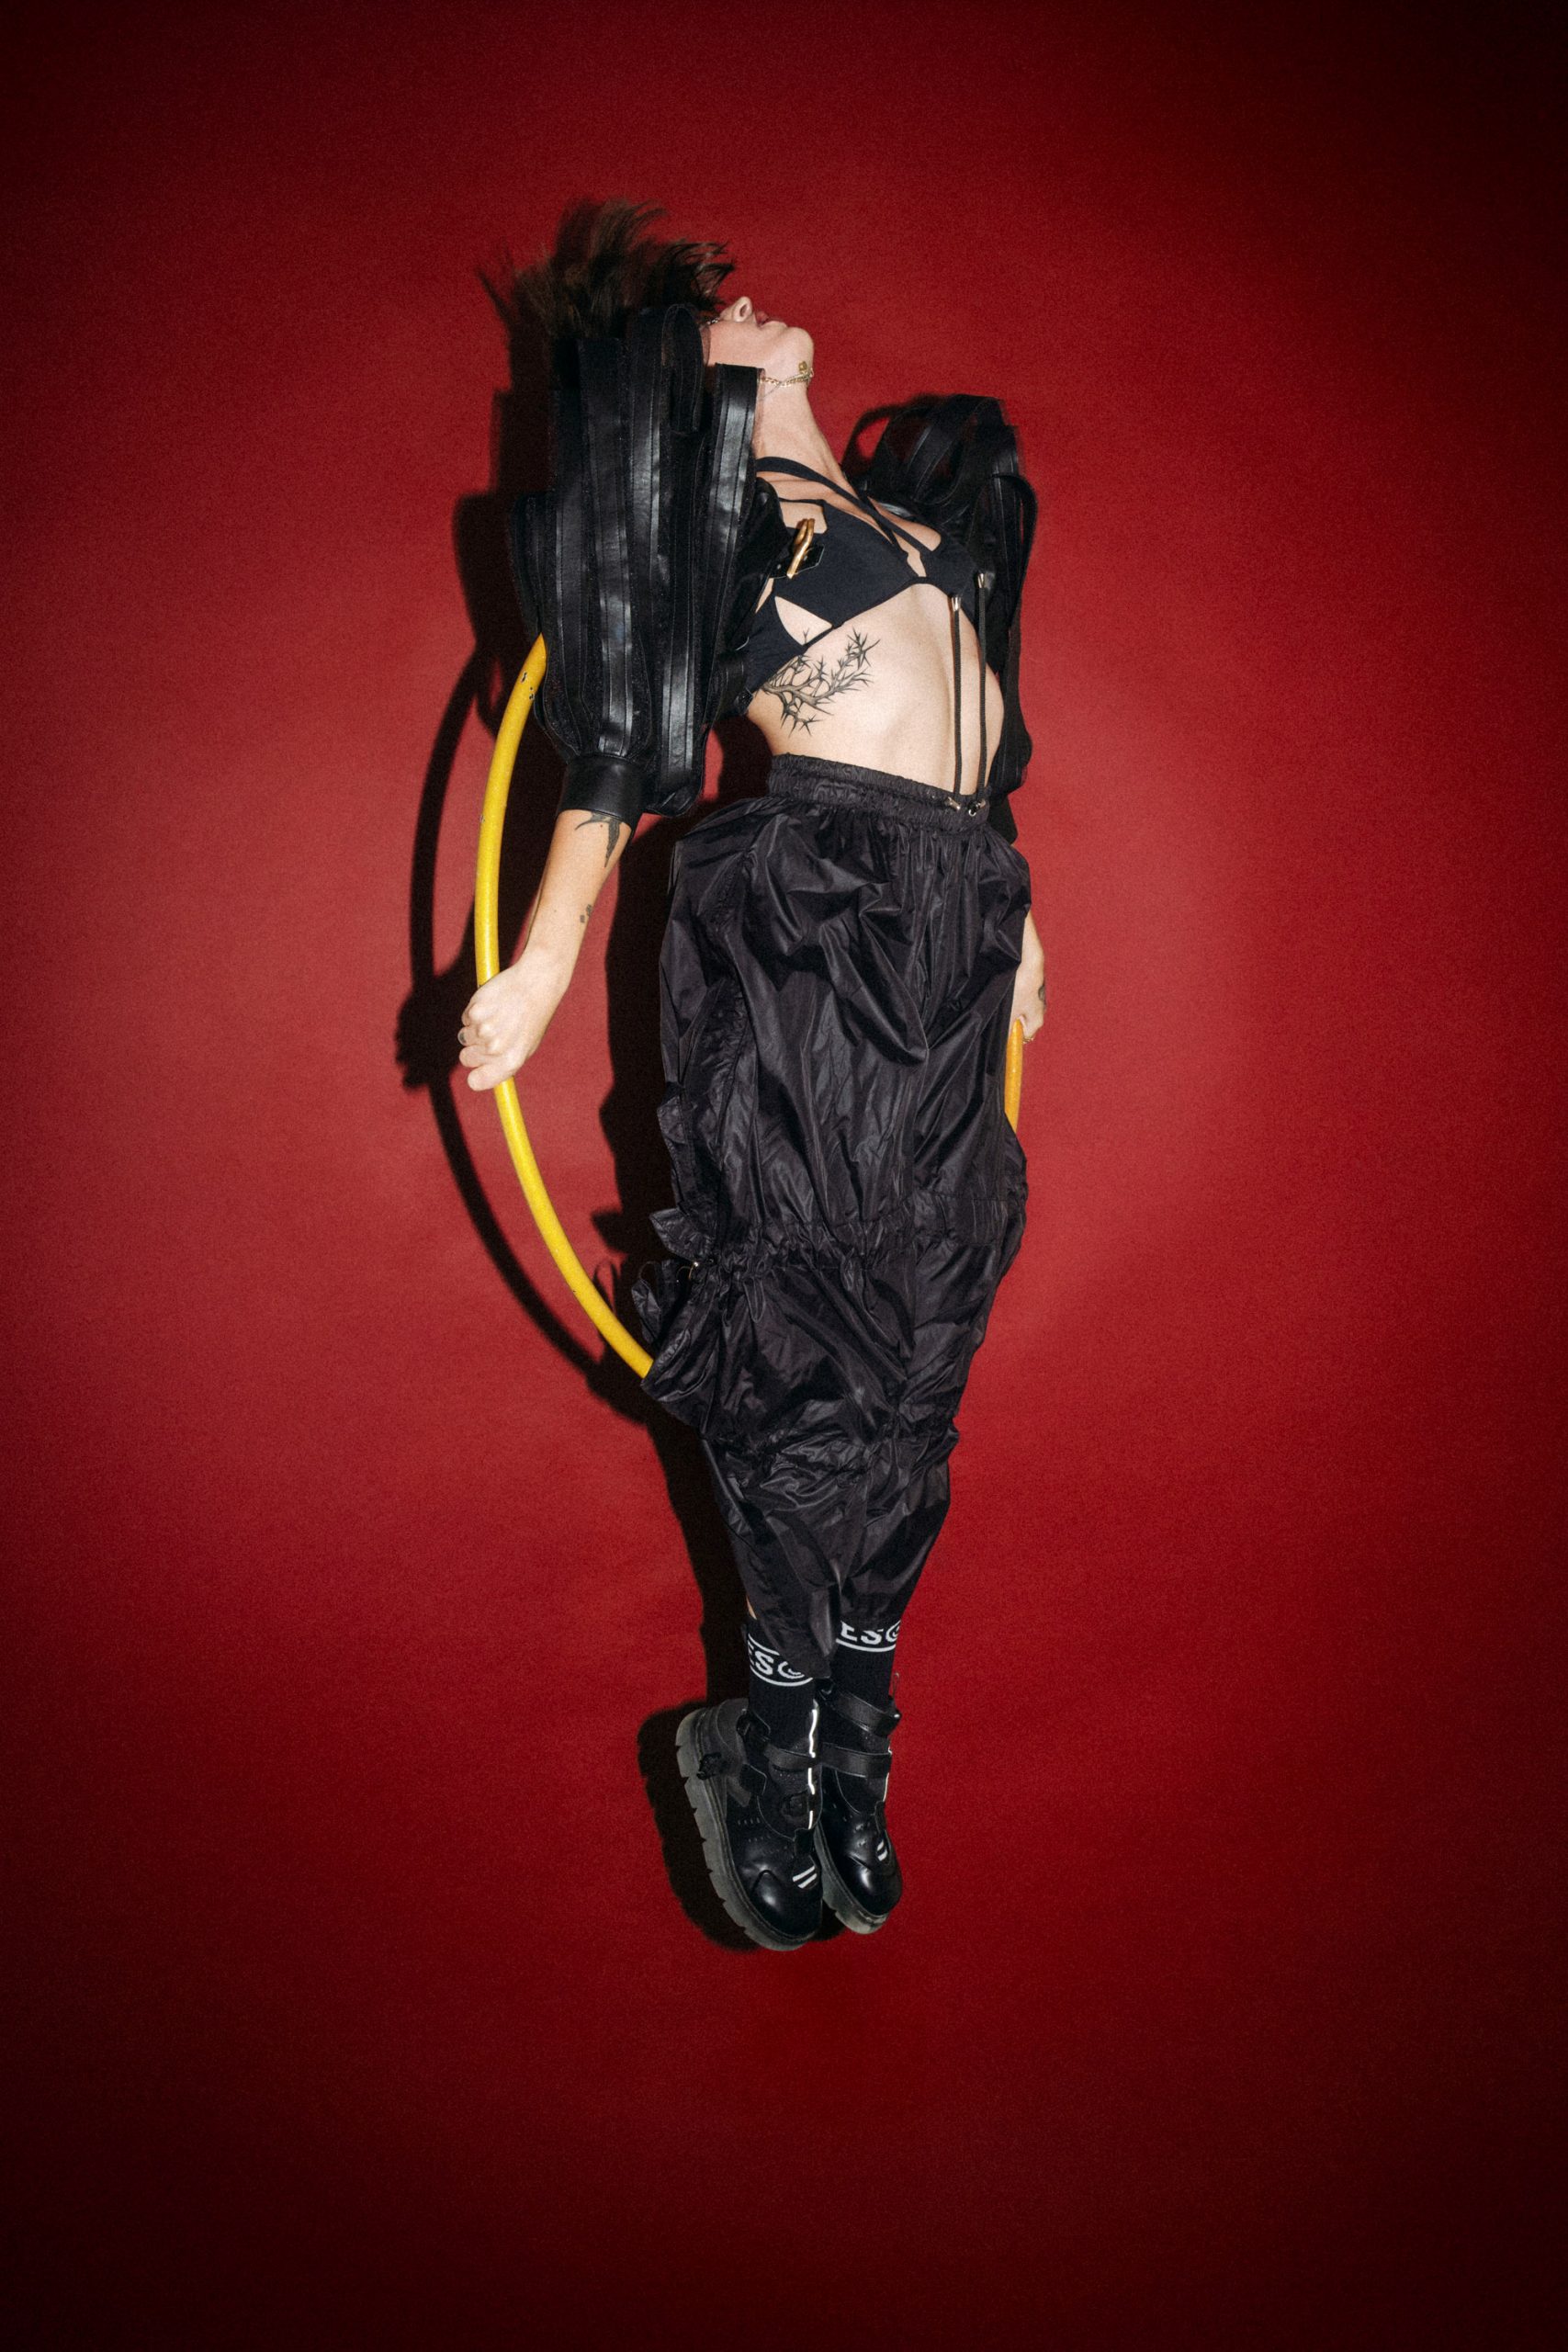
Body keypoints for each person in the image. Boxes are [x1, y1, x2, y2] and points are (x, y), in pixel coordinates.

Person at [461, 203, 1045, 1951]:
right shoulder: (722, 528)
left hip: (951, 932)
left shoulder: (925, 524)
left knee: (921, 1358)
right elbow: (616, 749)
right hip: (817, 922)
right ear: (677, 375)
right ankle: (772, 1743)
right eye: (714, 314)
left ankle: (850, 1736)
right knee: (806, 1353)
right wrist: (545, 956)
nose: (757, 307)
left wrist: (1021, 927)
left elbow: (984, 757)